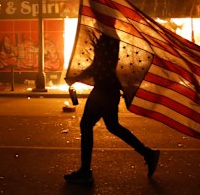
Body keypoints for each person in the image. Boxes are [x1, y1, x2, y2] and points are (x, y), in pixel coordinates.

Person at [64, 34, 160, 184]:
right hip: (108, 89)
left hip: (104, 90)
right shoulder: (109, 37)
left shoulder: (108, 38)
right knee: (112, 126)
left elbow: (99, 66)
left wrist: (76, 77)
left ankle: (85, 172)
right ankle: (147, 153)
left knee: (87, 125)